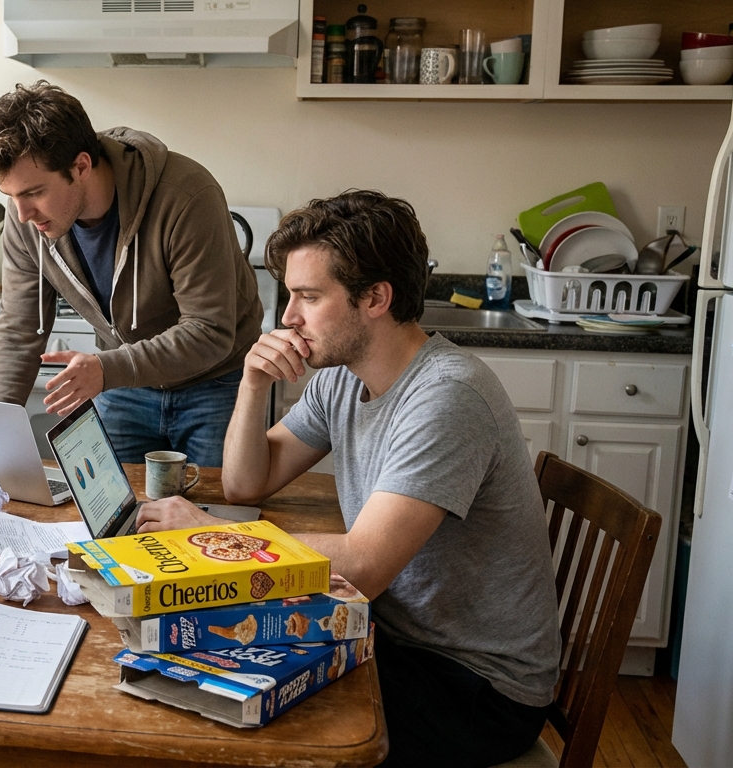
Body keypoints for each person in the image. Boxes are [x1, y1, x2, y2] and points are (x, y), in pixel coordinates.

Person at [136, 191, 561, 767]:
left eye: (309, 297)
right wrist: (252, 383)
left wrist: (203, 533)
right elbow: (246, 484)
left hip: (474, 688)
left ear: (375, 298)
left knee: (227, 721)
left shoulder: (447, 396)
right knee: (193, 662)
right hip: (394, 636)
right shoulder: (344, 377)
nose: (287, 317)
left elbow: (362, 564)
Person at [0, 81, 263, 467]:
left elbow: (210, 330)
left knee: (215, 514)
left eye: (34, 193)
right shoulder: (26, 223)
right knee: (111, 514)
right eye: (12, 196)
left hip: (215, 383)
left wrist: (107, 368)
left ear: (81, 166)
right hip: (126, 387)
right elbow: (20, 328)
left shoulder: (187, 196)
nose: (21, 214)